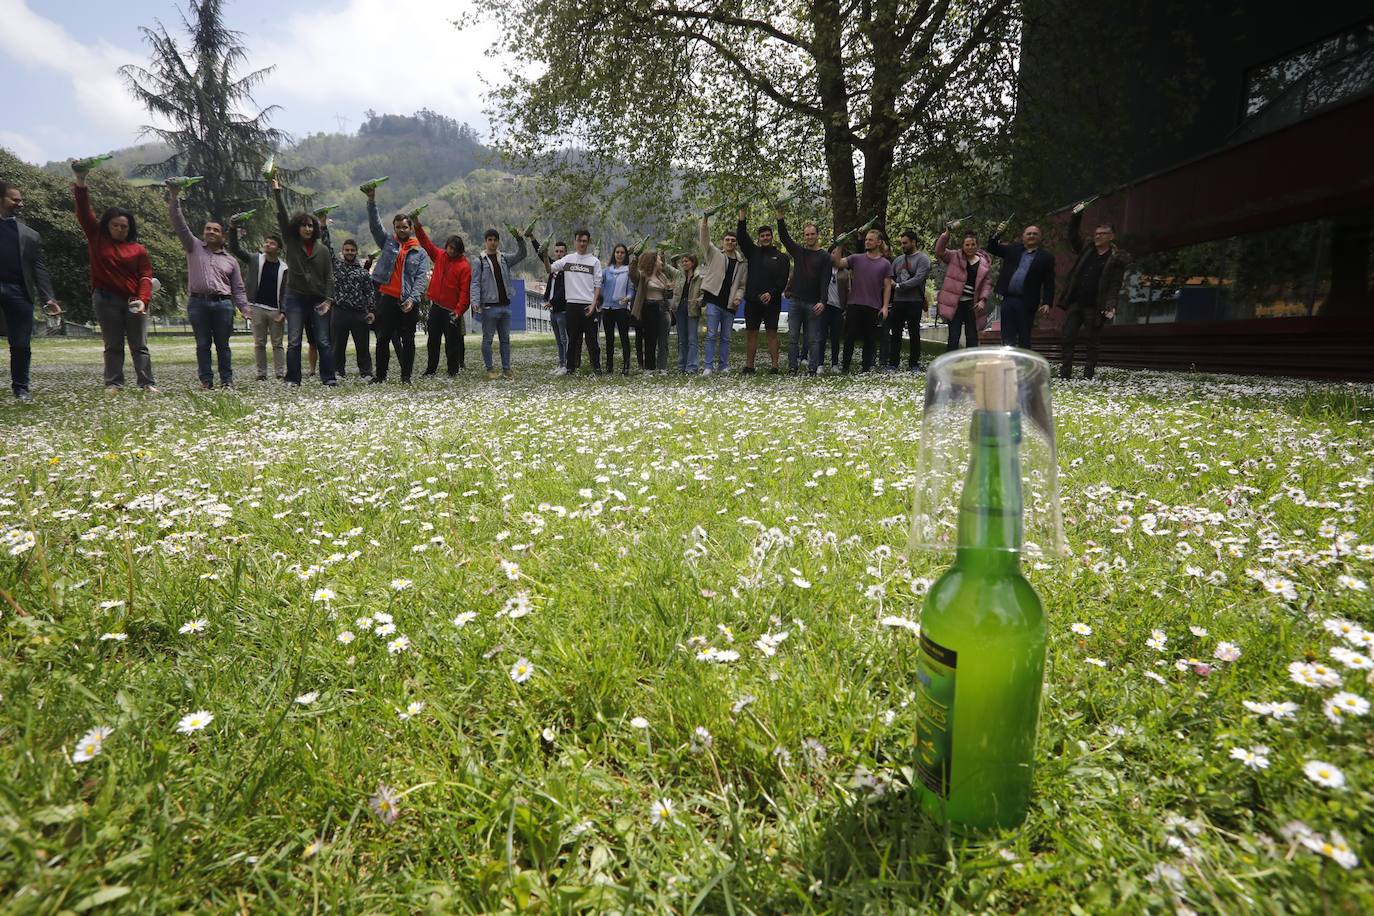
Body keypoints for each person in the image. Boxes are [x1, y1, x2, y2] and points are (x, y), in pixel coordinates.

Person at [72, 162, 156, 392]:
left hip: (133, 302)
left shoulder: (138, 249)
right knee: (113, 344)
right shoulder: (97, 239)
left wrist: (142, 300)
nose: (120, 229)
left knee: (139, 345)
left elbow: (146, 276)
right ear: (107, 226)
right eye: (116, 225)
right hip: (105, 299)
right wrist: (81, 181)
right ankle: (114, 383)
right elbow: (83, 212)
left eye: (124, 226)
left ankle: (147, 383)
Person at [167, 183, 248, 389]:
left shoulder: (230, 260)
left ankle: (227, 381)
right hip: (198, 303)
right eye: (208, 229)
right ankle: (206, 381)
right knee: (202, 345)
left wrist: (245, 309)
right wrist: (174, 196)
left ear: (222, 236)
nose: (211, 232)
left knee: (223, 345)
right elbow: (179, 223)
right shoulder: (193, 247)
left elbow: (238, 288)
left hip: (223, 305)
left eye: (215, 230)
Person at [0, 181, 61, 401]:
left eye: (20, 199)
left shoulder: (30, 235)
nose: (20, 203)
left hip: (19, 291)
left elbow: (39, 269)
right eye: (14, 200)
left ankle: (21, 388)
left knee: (21, 343)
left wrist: (49, 298)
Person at [271, 179, 336, 386]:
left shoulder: (323, 250)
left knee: (324, 341)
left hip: (318, 300)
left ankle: (329, 378)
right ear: (297, 228)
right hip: (296, 298)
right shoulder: (291, 243)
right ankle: (293, 379)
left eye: (310, 225)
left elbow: (329, 276)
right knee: (294, 341)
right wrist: (277, 193)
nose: (307, 228)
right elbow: (282, 217)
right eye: (304, 225)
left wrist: (328, 300)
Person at [1058, 205, 1131, 379]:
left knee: (1092, 342)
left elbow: (1115, 284)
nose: (1097, 236)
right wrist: (1077, 215)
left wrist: (1111, 305)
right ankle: (1065, 374)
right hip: (1077, 302)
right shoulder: (1087, 249)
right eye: (1096, 233)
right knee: (1067, 337)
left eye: (1102, 234)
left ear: (1111, 236)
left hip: (1095, 305)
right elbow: (1073, 236)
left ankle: (1088, 376)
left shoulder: (1115, 259)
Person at [363, 188, 428, 384]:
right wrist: (371, 200)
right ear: (395, 229)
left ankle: (406, 377)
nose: (401, 230)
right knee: (383, 339)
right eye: (398, 227)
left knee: (408, 340)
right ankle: (380, 376)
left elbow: (420, 279)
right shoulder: (387, 243)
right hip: (387, 298)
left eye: (405, 227)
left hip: (409, 300)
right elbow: (375, 226)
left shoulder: (420, 252)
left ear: (410, 228)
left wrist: (412, 299)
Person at [228, 223, 288, 381]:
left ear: (279, 248)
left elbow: (286, 292)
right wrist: (232, 230)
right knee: (259, 343)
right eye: (266, 242)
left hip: (275, 310)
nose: (268, 244)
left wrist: (284, 312)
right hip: (257, 307)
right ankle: (261, 374)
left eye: (272, 243)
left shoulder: (284, 268)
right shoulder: (255, 259)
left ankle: (280, 373)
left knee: (277, 343)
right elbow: (235, 249)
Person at [775, 207, 831, 375]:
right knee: (792, 338)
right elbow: (784, 238)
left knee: (813, 339)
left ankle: (812, 369)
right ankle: (793, 368)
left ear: (817, 235)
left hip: (814, 303)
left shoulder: (824, 256)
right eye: (807, 234)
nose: (809, 237)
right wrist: (780, 218)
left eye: (812, 234)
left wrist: (823, 300)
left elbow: (825, 280)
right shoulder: (799, 251)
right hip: (796, 301)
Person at [736, 210, 790, 374]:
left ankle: (774, 366)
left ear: (771, 237)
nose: (765, 238)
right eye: (762, 236)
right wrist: (742, 216)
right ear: (758, 239)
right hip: (753, 301)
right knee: (751, 333)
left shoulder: (782, 258)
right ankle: (749, 366)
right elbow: (741, 236)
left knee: (772, 333)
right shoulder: (753, 252)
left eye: (768, 235)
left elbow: (782, 280)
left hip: (772, 302)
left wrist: (771, 293)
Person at [415, 221, 471, 377]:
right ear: (446, 246)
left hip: (452, 311)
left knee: (452, 344)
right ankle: (430, 370)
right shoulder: (440, 255)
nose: (451, 251)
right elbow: (426, 243)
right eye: (450, 247)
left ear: (460, 251)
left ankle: (452, 371)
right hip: (436, 307)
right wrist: (417, 225)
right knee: (433, 341)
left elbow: (465, 293)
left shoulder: (464, 267)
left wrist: (459, 311)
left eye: (455, 249)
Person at [987, 221, 1055, 350]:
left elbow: (1049, 282)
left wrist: (1047, 302)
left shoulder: (1046, 258)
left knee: (1024, 336)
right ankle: (1008, 364)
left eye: (1035, 234)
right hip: (1008, 299)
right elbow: (992, 248)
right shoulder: (1013, 250)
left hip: (1027, 302)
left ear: (1040, 237)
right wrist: (998, 233)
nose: (1031, 236)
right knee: (1007, 335)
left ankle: (1024, 366)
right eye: (1028, 233)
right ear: (1023, 236)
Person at [470, 227, 527, 379]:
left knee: (505, 340)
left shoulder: (504, 258)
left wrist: (519, 239)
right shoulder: (478, 261)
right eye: (490, 240)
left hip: (505, 306)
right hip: (489, 307)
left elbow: (522, 254)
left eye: (495, 240)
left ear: (498, 241)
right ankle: (490, 369)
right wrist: (475, 301)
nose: (493, 243)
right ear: (485, 241)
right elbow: (475, 283)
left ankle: (506, 369)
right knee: (487, 340)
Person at [698, 212, 747, 375]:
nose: (730, 242)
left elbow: (741, 285)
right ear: (722, 242)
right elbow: (704, 238)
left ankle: (723, 365)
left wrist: (739, 297)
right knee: (711, 335)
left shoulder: (741, 262)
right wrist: (705, 220)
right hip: (713, 301)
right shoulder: (714, 254)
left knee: (726, 337)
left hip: (730, 304)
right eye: (727, 240)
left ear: (736, 243)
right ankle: (708, 366)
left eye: (733, 240)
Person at [837, 228, 892, 373]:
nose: (867, 242)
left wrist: (885, 306)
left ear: (879, 242)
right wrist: (839, 245)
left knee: (870, 339)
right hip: (854, 304)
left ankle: (866, 369)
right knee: (849, 338)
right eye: (866, 239)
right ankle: (845, 367)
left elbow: (887, 287)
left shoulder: (885, 264)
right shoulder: (856, 258)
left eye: (870, 239)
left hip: (873, 306)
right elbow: (837, 263)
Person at [548, 229, 602, 376]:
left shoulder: (594, 262)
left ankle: (596, 368)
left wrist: (593, 304)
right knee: (573, 339)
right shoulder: (568, 259)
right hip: (571, 304)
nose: (582, 243)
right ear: (575, 241)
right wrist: (544, 254)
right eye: (579, 240)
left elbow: (598, 285)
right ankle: (570, 368)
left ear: (588, 242)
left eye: (584, 241)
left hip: (588, 305)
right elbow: (550, 268)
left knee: (592, 340)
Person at [934, 224, 992, 352]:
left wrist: (983, 300)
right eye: (967, 245)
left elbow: (987, 284)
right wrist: (947, 234)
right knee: (953, 336)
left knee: (972, 336)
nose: (970, 247)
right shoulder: (954, 256)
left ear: (976, 245)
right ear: (963, 246)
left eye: (972, 244)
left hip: (972, 304)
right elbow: (939, 251)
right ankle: (951, 364)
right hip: (955, 303)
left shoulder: (984, 263)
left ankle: (971, 364)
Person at [886, 230, 931, 372]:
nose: (903, 246)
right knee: (896, 333)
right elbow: (890, 276)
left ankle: (914, 363)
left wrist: (899, 285)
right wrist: (892, 283)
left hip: (914, 301)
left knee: (914, 333)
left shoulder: (923, 259)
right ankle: (893, 362)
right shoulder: (898, 260)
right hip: (898, 301)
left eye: (905, 243)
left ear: (914, 242)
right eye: (901, 243)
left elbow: (918, 279)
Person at [331, 239, 375, 380]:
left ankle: (366, 372)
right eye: (347, 250)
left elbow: (369, 293)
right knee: (338, 345)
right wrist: (323, 226)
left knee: (362, 345)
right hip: (340, 310)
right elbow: (327, 248)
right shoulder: (336, 266)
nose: (349, 252)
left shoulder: (362, 272)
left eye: (352, 250)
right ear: (342, 252)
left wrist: (371, 311)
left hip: (359, 312)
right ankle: (338, 371)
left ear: (356, 252)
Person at [630, 249, 676, 373]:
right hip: (650, 308)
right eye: (659, 259)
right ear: (654, 261)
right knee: (650, 339)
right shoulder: (643, 275)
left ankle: (662, 367)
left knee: (663, 340)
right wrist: (635, 259)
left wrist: (669, 290)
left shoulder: (662, 277)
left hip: (663, 308)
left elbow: (668, 295)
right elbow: (632, 274)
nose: (661, 261)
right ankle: (649, 368)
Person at [532, 237, 569, 374]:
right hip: (553, 310)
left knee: (565, 339)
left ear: (566, 253)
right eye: (557, 251)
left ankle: (566, 365)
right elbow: (541, 254)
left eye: (561, 251)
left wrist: (551, 301)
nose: (559, 254)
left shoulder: (567, 270)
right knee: (558, 340)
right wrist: (532, 239)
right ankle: (560, 364)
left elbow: (563, 290)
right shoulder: (553, 266)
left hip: (562, 310)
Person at [600, 243, 634, 375]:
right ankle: (609, 366)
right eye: (617, 252)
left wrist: (628, 298)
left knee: (624, 337)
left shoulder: (629, 270)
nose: (619, 254)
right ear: (614, 254)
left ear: (625, 255)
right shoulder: (606, 271)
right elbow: (598, 285)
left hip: (621, 308)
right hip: (607, 308)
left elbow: (631, 289)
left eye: (622, 252)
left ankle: (626, 366)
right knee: (609, 339)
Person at [671, 253, 704, 374]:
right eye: (683, 261)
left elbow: (703, 294)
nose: (684, 263)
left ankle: (692, 367)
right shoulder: (679, 275)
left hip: (692, 308)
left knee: (692, 339)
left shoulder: (699, 277)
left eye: (686, 261)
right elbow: (665, 268)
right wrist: (663, 257)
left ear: (693, 263)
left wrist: (698, 301)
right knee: (682, 339)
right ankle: (681, 366)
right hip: (680, 308)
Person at [823, 246, 849, 372]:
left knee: (835, 337)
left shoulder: (845, 272)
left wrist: (846, 307)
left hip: (838, 307)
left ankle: (834, 364)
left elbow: (848, 291)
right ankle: (819, 364)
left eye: (838, 253)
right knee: (821, 336)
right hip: (824, 306)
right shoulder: (824, 269)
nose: (835, 255)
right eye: (833, 253)